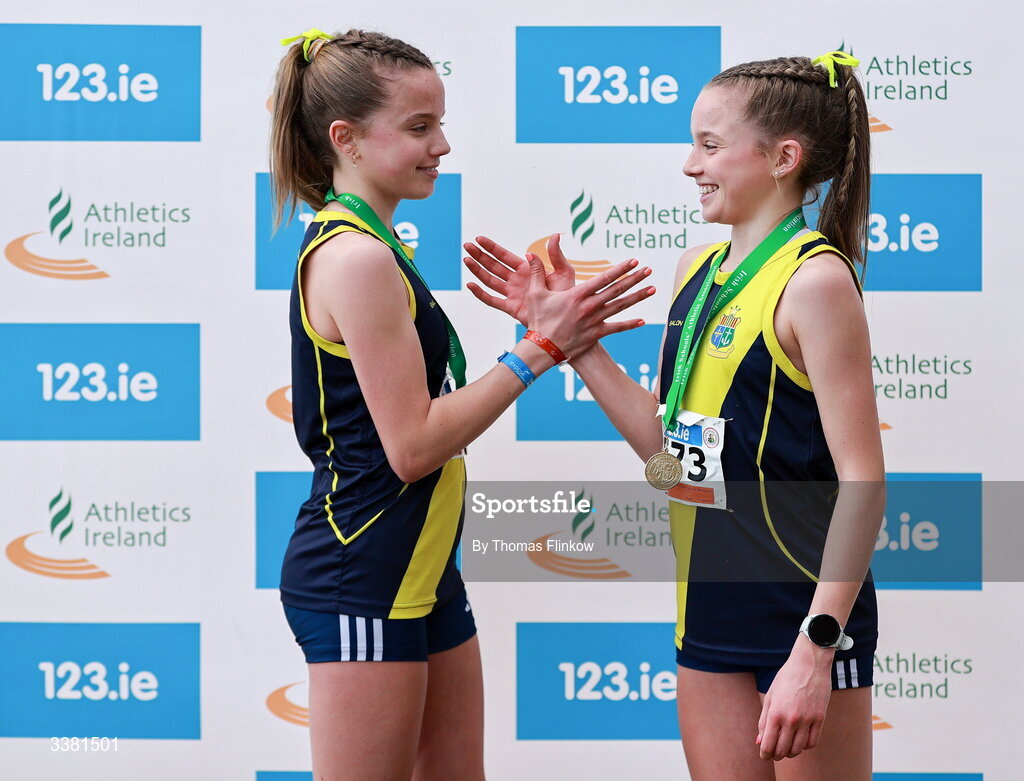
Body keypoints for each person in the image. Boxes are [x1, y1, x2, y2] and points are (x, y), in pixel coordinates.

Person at [465, 52, 883, 780]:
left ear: (785, 158)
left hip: (804, 622)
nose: (691, 164)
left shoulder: (815, 281)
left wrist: (816, 651)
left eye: (711, 145)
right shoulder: (699, 267)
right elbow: (671, 458)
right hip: (710, 615)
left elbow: (863, 482)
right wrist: (574, 345)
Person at [270, 27, 653, 781]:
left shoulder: (379, 244)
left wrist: (561, 343)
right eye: (419, 127)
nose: (442, 144)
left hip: (422, 567)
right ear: (344, 138)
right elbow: (412, 448)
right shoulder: (357, 256)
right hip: (362, 570)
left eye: (440, 123)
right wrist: (540, 347)